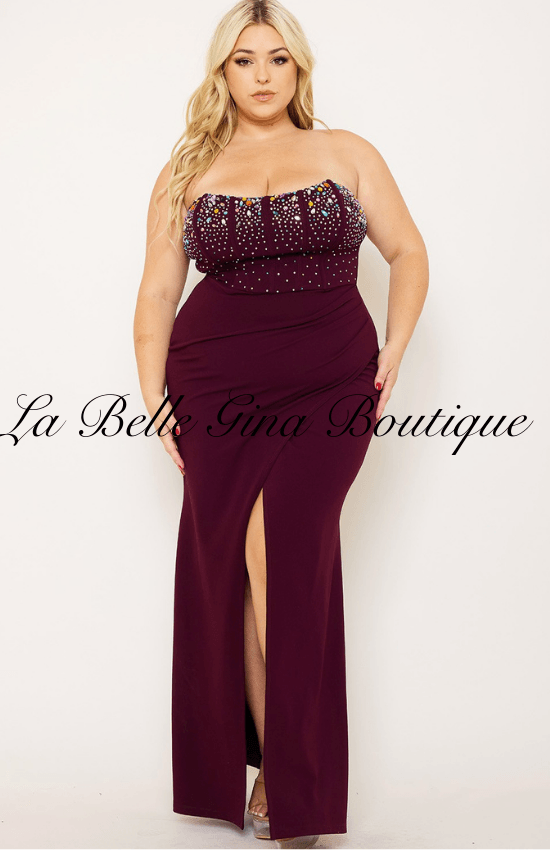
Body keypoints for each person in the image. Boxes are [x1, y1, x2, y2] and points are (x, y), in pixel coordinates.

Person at [133, 1, 429, 846]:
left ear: (298, 68)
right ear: (221, 72)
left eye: (276, 59)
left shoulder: (348, 153)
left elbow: (408, 253)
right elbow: (157, 291)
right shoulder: (188, 166)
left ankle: (292, 777)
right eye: (243, 60)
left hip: (331, 382)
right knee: (236, 565)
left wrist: (394, 348)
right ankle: (278, 776)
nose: (261, 75)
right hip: (214, 385)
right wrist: (152, 396)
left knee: (282, 548)